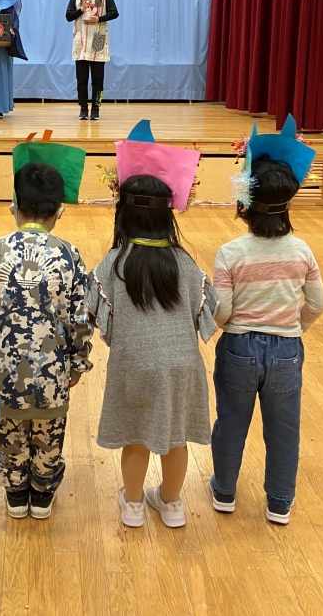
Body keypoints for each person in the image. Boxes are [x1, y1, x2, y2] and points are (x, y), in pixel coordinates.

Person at [87, 121, 216, 529]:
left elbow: (94, 311)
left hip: (134, 365)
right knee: (175, 437)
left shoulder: (115, 262)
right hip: (182, 367)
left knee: (136, 435)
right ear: (167, 216)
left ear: (123, 212)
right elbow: (208, 313)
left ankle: (133, 505)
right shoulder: (185, 262)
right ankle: (172, 504)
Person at [211, 117, 323, 526]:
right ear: (288, 203)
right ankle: (279, 502)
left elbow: (222, 312)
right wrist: (294, 327)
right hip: (286, 351)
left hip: (239, 347)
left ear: (244, 202)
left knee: (230, 422)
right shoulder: (302, 250)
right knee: (284, 429)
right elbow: (318, 303)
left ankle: (224, 492)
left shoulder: (230, 253)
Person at [0, 157, 93, 520]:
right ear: (59, 212)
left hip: (0, 374)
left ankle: (16, 494)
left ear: (14, 208)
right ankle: (42, 495)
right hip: (53, 376)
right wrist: (77, 363)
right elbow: (79, 318)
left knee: (10, 437)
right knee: (48, 437)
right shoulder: (69, 255)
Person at [65, 0, 119, 121]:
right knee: (81, 80)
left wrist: (99, 19)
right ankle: (83, 108)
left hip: (98, 40)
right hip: (81, 42)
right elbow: (68, 16)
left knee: (98, 80)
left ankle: (96, 108)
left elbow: (114, 13)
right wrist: (82, 9)